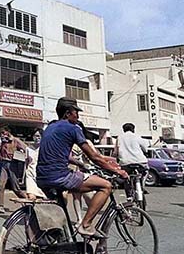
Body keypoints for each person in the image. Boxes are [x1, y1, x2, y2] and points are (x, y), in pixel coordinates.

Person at [36, 97, 127, 238]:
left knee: (61, 209)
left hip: (42, 178)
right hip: (60, 177)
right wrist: (116, 171)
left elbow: (61, 155)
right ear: (67, 113)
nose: (77, 116)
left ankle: (59, 239)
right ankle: (86, 225)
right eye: (75, 112)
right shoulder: (73, 128)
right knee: (106, 186)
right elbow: (94, 157)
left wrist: (79, 164)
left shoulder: (50, 128)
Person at [0, 128, 27, 214]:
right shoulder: (3, 142)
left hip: (12, 164)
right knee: (0, 186)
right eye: (1, 133)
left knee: (15, 188)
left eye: (4, 133)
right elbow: (1, 153)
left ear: (8, 132)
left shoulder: (15, 141)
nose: (2, 135)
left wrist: (20, 153)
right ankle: (0, 207)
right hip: (4, 164)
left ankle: (27, 201)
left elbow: (25, 148)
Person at [115, 123, 149, 191]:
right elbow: (145, 149)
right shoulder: (137, 136)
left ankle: (129, 196)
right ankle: (142, 185)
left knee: (126, 178)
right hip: (140, 161)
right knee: (145, 171)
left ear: (123, 130)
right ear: (133, 129)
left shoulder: (119, 138)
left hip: (125, 162)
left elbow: (116, 152)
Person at [24, 130, 46, 200]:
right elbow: (27, 162)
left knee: (44, 198)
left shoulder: (45, 148)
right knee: (31, 196)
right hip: (30, 173)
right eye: (35, 136)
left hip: (42, 174)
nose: (37, 138)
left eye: (39, 136)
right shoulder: (28, 149)